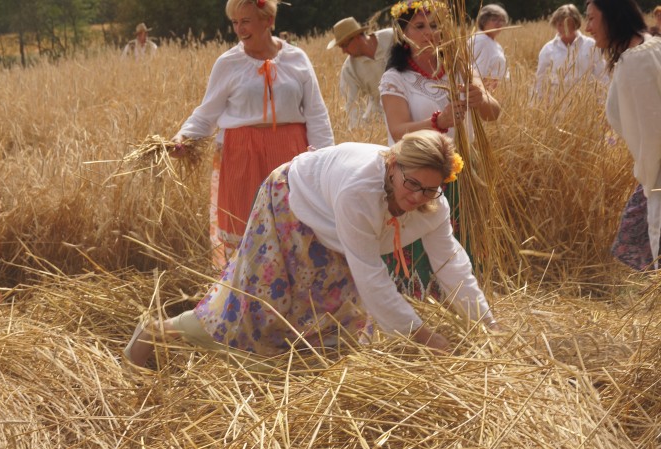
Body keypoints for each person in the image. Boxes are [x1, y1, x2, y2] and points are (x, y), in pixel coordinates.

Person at [125, 130, 499, 368]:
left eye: (430, 189)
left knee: (337, 319)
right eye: (411, 183)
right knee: (257, 311)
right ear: (391, 164)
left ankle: (309, 384)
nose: (417, 197)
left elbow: (452, 264)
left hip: (336, 232)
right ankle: (156, 332)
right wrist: (422, 336)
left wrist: (486, 327)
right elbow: (371, 274)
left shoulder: (434, 203)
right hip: (290, 204)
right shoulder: (360, 192)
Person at [172, 0, 334, 267]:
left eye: (245, 21)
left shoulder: (297, 58)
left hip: (290, 155)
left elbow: (316, 112)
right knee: (245, 228)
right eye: (235, 22)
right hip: (242, 155)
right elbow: (207, 113)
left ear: (268, 20)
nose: (239, 29)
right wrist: (184, 138)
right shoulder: (228, 63)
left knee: (293, 227)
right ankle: (243, 299)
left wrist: (326, 159)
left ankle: (292, 301)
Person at [380, 0, 500, 297]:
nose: (429, 33)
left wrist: (480, 98)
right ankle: (422, 302)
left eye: (435, 25)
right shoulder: (396, 78)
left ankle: (466, 297)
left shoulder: (459, 66)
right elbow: (398, 130)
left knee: (464, 236)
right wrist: (438, 121)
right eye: (419, 26)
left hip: (462, 172)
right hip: (417, 173)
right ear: (402, 33)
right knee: (422, 238)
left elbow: (493, 113)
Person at [585, 0, 661, 270]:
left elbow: (652, 136)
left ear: (612, 18)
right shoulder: (650, 45)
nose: (587, 27)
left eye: (592, 19)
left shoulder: (636, 62)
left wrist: (650, 183)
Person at [327, 17, 394, 128]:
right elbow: (353, 106)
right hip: (381, 121)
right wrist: (359, 133)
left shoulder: (392, 37)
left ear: (357, 37)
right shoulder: (349, 69)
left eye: (344, 45)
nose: (343, 51)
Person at [534, 4, 607, 97]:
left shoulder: (591, 45)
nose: (562, 27)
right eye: (559, 24)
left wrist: (602, 105)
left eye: (566, 23)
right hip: (557, 107)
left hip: (587, 106)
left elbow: (602, 76)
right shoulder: (547, 50)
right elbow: (540, 81)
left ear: (575, 23)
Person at [468, 4, 510, 91]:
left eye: (502, 20)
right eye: (494, 19)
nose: (499, 23)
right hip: (485, 95)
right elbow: (476, 74)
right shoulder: (481, 41)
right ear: (483, 21)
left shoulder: (492, 42)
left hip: (495, 95)